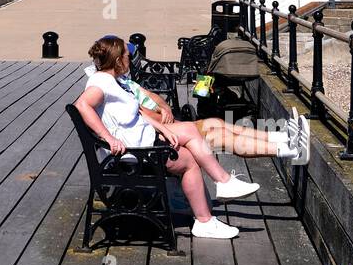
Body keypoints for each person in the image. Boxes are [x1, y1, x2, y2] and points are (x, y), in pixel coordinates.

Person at [73, 35, 308, 239]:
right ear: (117, 60)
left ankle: (216, 199)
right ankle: (215, 200)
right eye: (126, 54)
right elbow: (82, 104)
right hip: (135, 154)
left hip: (143, 143)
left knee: (194, 144)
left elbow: (136, 113)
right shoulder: (101, 83)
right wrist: (109, 138)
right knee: (191, 154)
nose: (130, 58)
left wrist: (162, 127)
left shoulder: (114, 81)